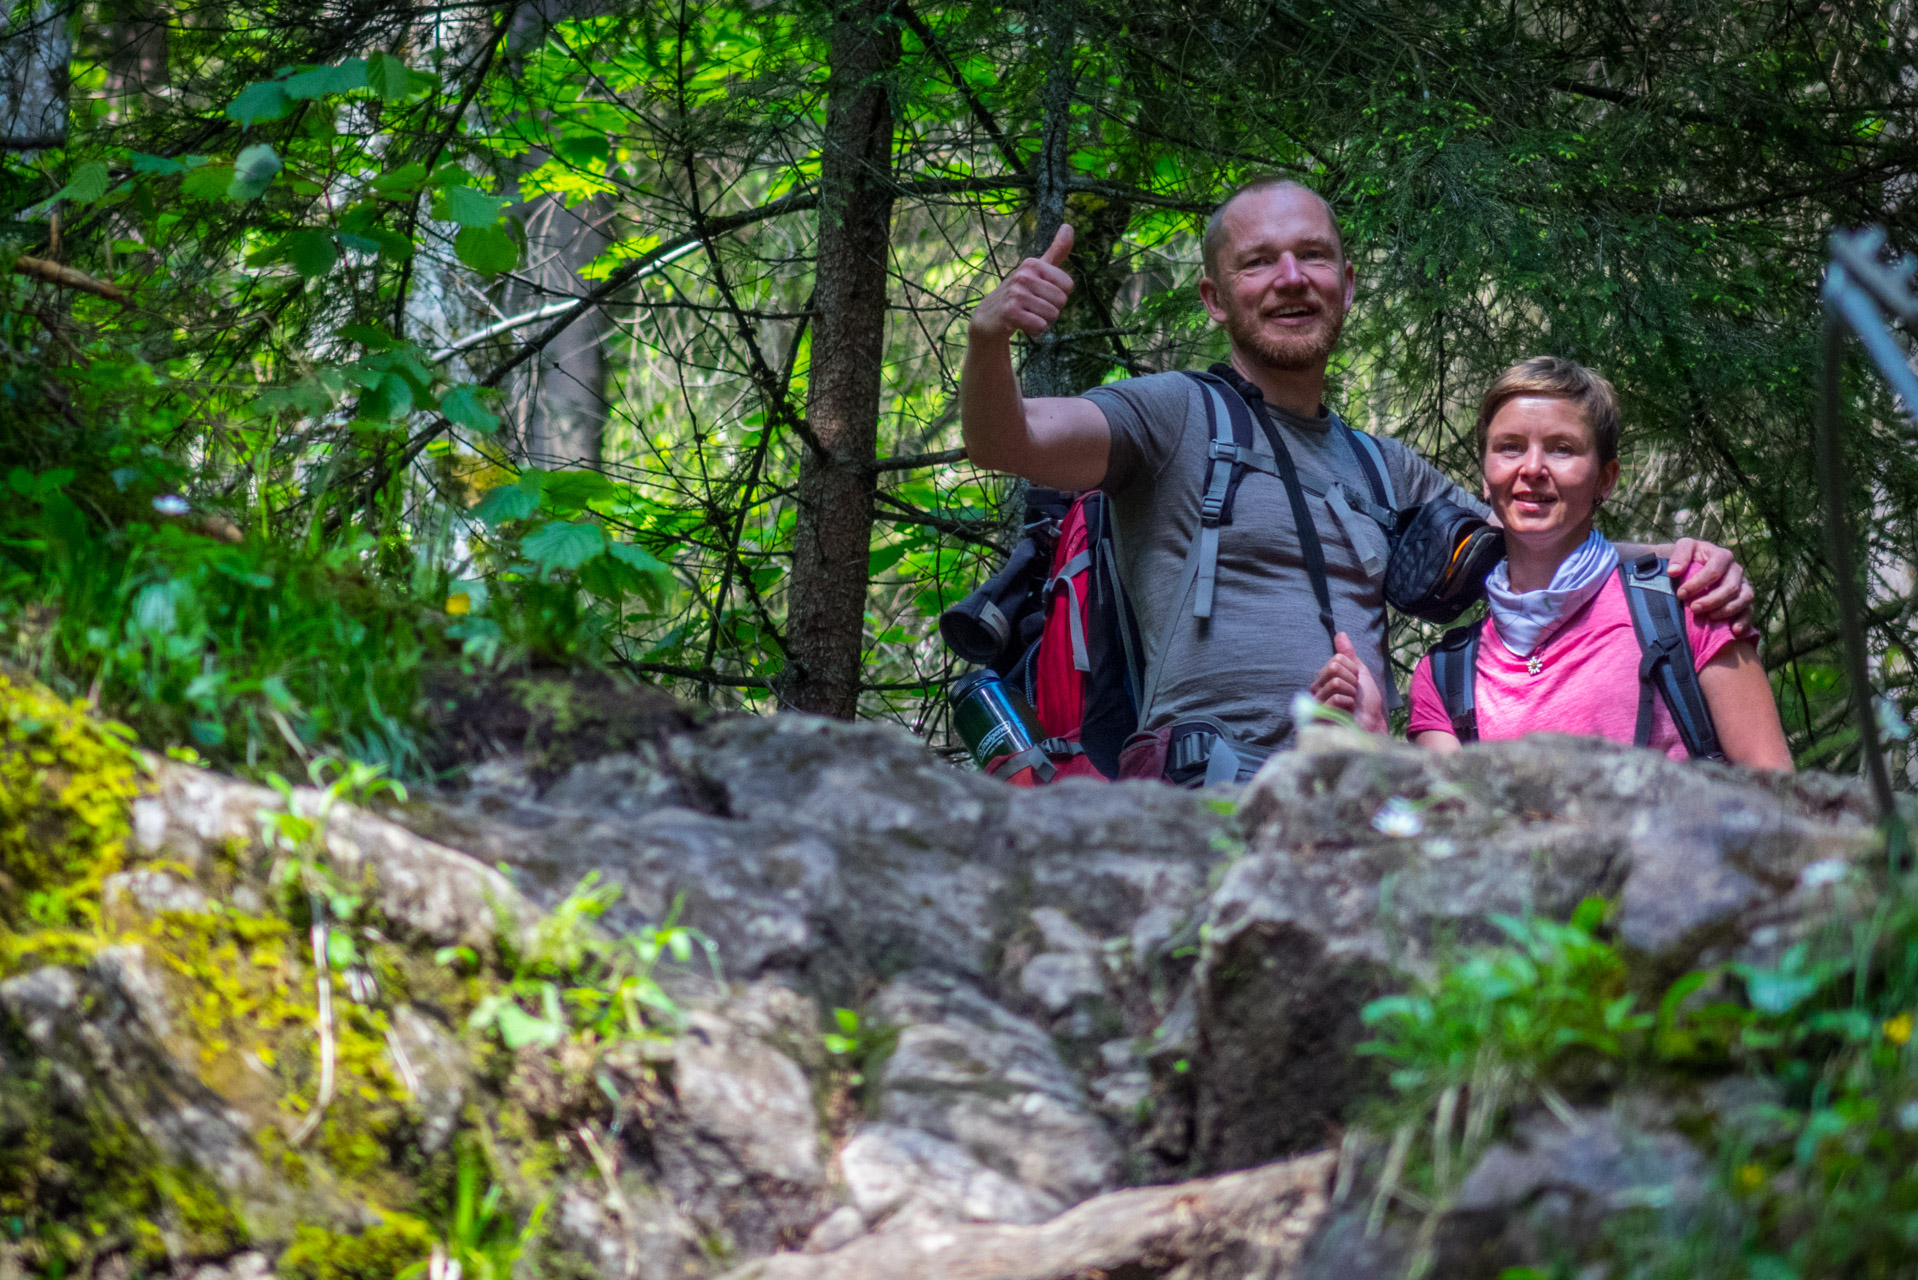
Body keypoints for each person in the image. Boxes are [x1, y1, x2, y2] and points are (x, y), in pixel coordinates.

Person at [959, 176, 1754, 785]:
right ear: (1213, 297)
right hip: (1199, 793)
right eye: (1258, 262)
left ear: (1347, 280)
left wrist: (1677, 559)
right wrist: (988, 339)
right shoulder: (1171, 417)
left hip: (1356, 792)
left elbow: (1537, 543)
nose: (1291, 278)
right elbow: (1007, 440)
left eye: (1312, 256)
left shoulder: (1385, 466)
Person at [1316, 356, 1791, 768]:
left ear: (1606, 479)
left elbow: (1778, 798)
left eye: (1562, 448)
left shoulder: (1684, 602)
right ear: (1485, 476)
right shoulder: (1445, 678)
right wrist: (1374, 740)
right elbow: (1451, 845)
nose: (1532, 468)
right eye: (1510, 447)